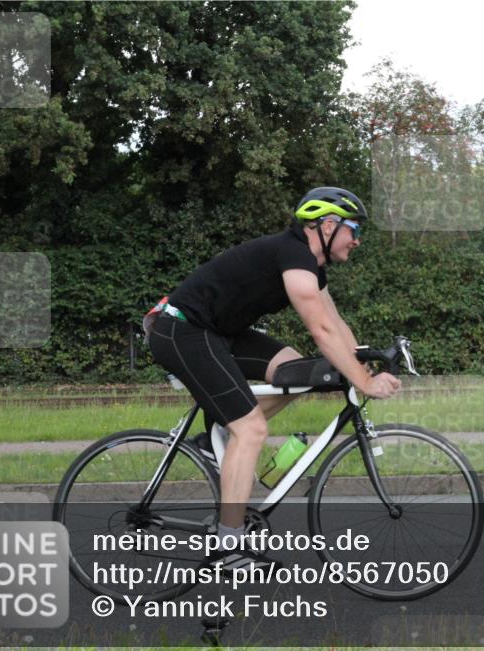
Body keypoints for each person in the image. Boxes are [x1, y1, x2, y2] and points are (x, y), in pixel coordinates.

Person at [146, 187, 401, 569]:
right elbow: (321, 332)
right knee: (251, 430)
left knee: (296, 370)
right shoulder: (293, 254)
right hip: (181, 330)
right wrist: (363, 384)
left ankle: (213, 442)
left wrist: (364, 366)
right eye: (354, 229)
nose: (357, 239)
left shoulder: (311, 266)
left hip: (218, 332)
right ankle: (228, 547)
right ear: (327, 225)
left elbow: (336, 324)